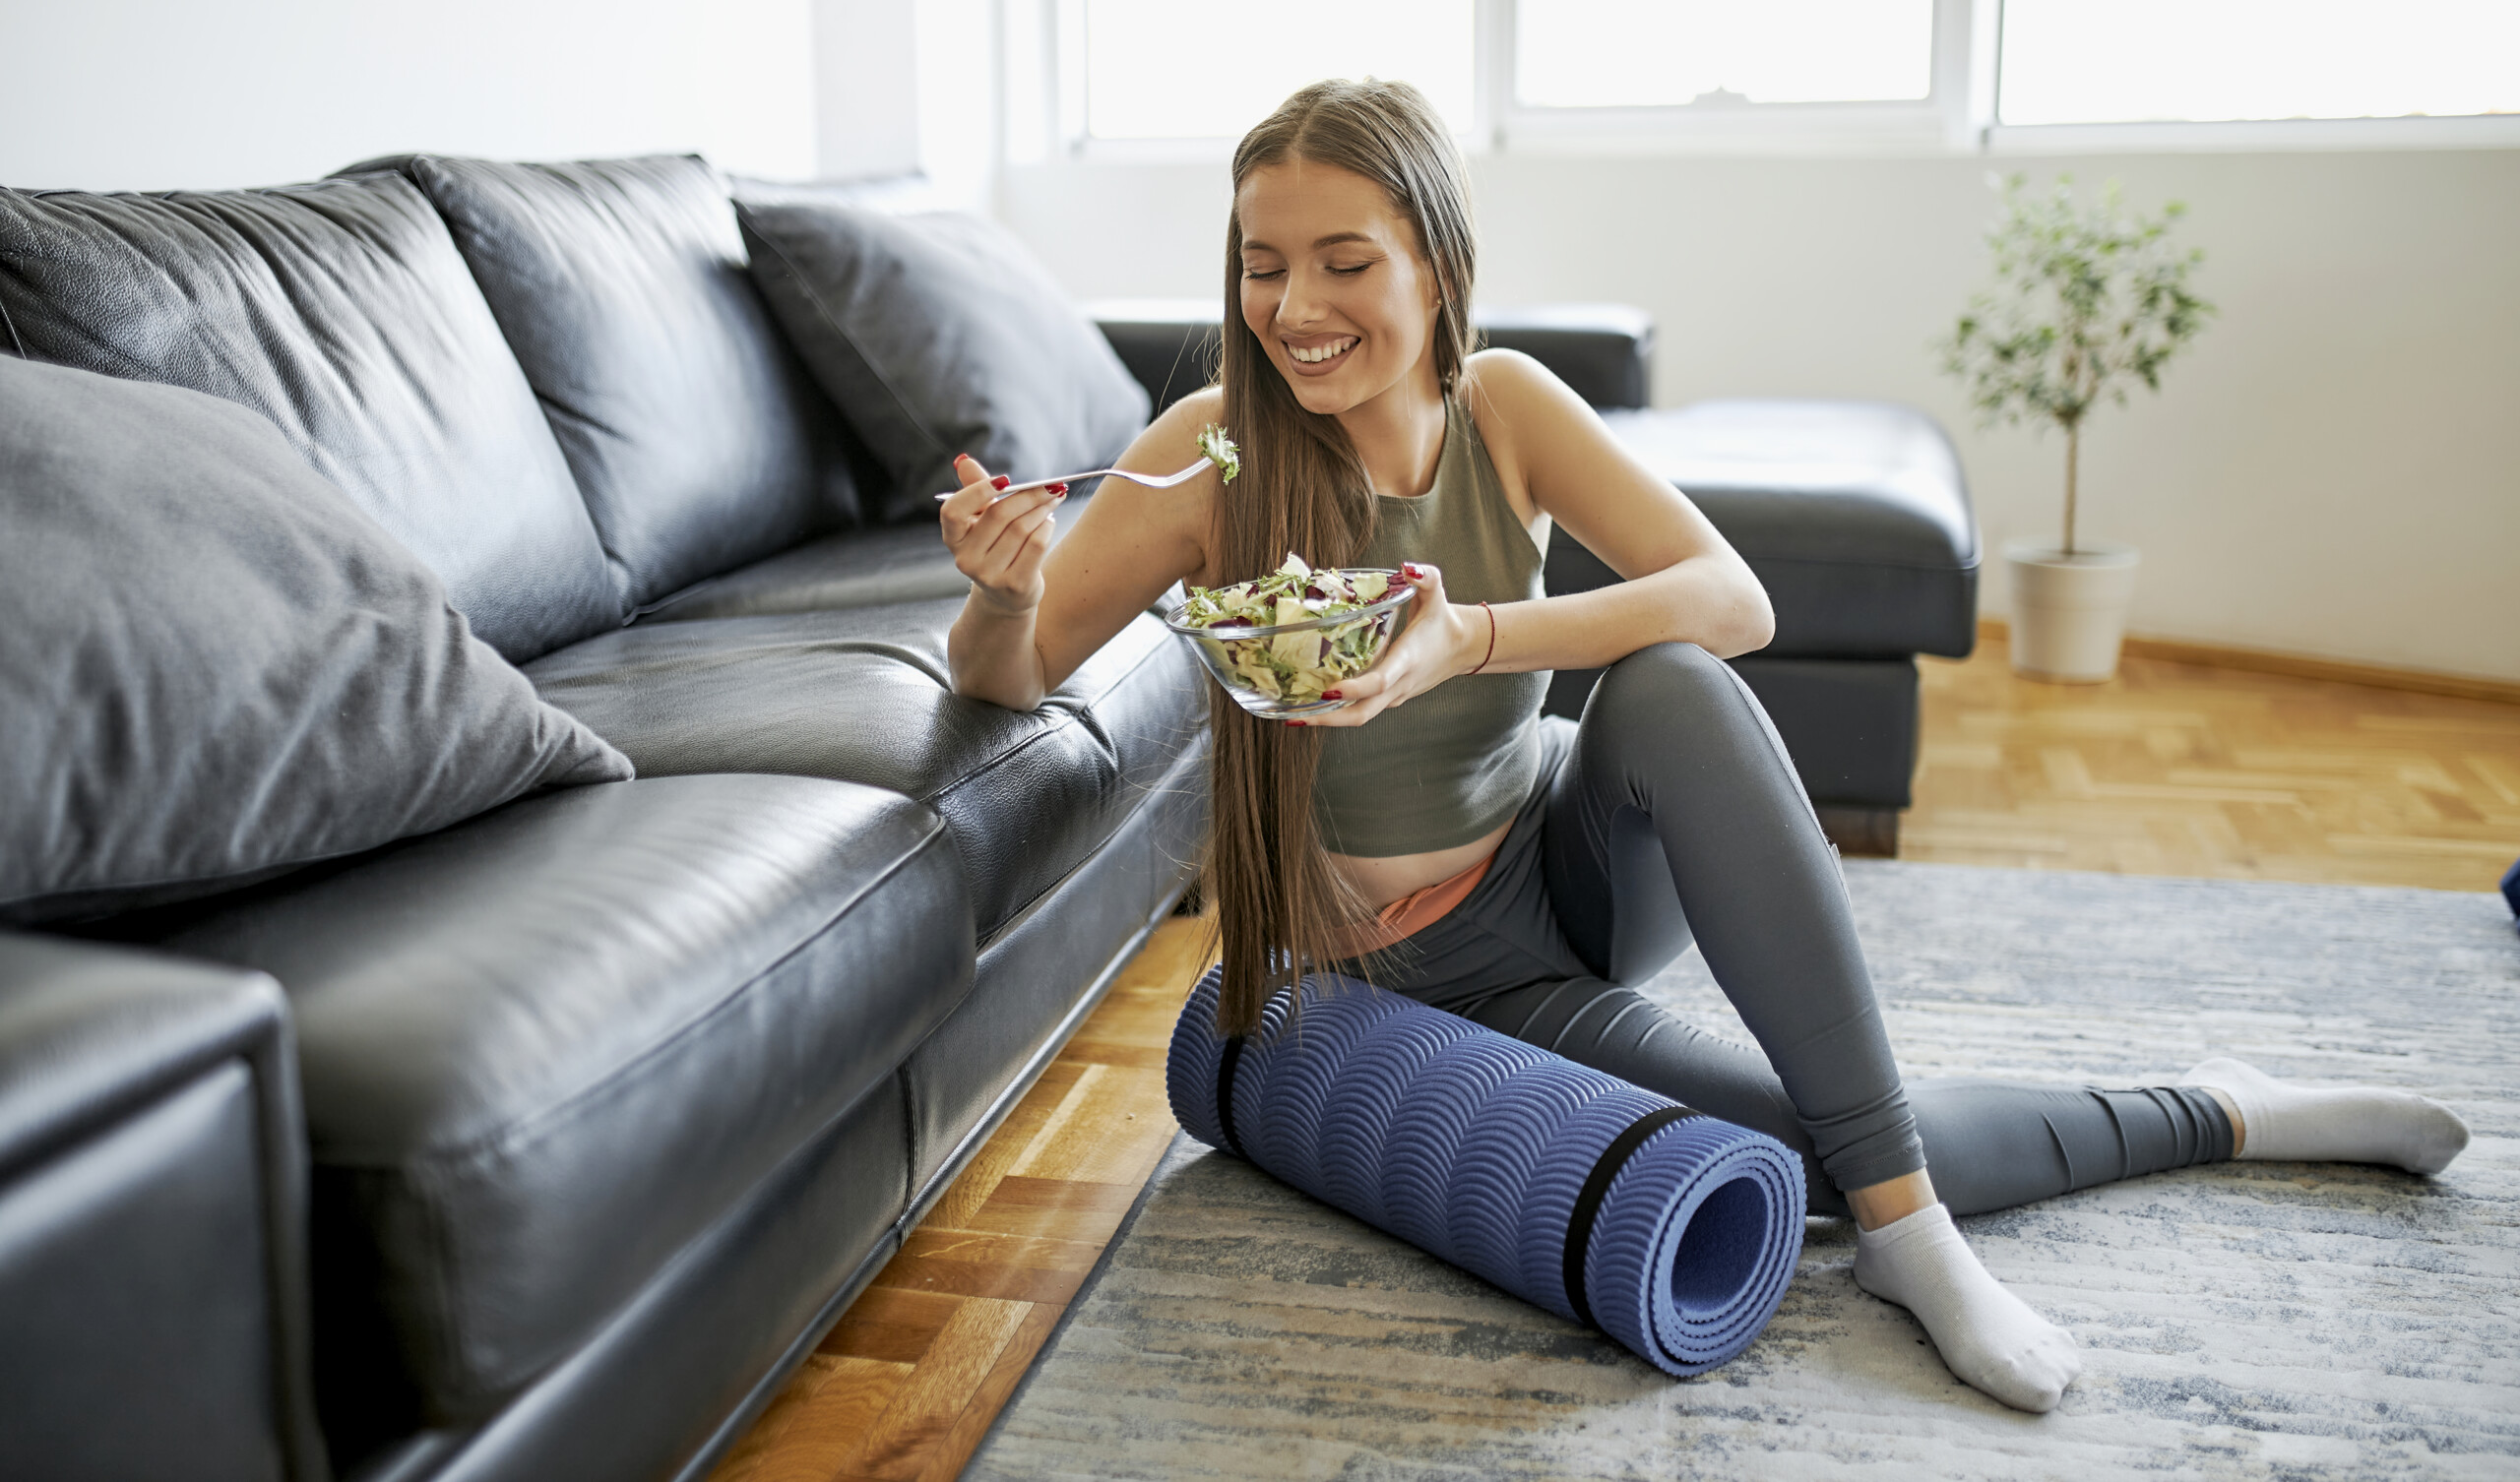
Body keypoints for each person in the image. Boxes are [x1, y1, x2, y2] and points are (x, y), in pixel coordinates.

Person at [939, 78, 2469, 1413]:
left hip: (1568, 872)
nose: (1297, 305)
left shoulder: (1511, 409)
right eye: (1264, 266)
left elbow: (1729, 597)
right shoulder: (1206, 452)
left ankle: (1909, 1237)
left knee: (1669, 678)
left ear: (1437, 266)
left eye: (1348, 260)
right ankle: (2227, 1106)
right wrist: (1003, 596)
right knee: (1840, 1139)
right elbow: (1009, 674)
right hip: (1414, 973)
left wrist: (1471, 636)